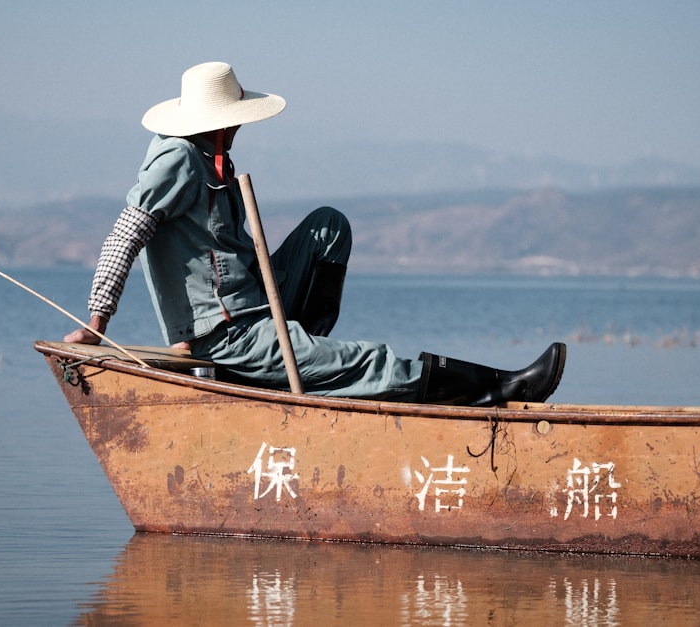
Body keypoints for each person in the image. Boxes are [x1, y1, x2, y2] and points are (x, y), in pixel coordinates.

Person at [65, 61, 565, 406]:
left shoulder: (213, 158)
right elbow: (125, 234)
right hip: (227, 335)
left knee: (329, 227)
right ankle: (503, 387)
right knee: (372, 360)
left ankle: (303, 357)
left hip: (259, 308)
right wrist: (97, 323)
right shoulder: (176, 159)